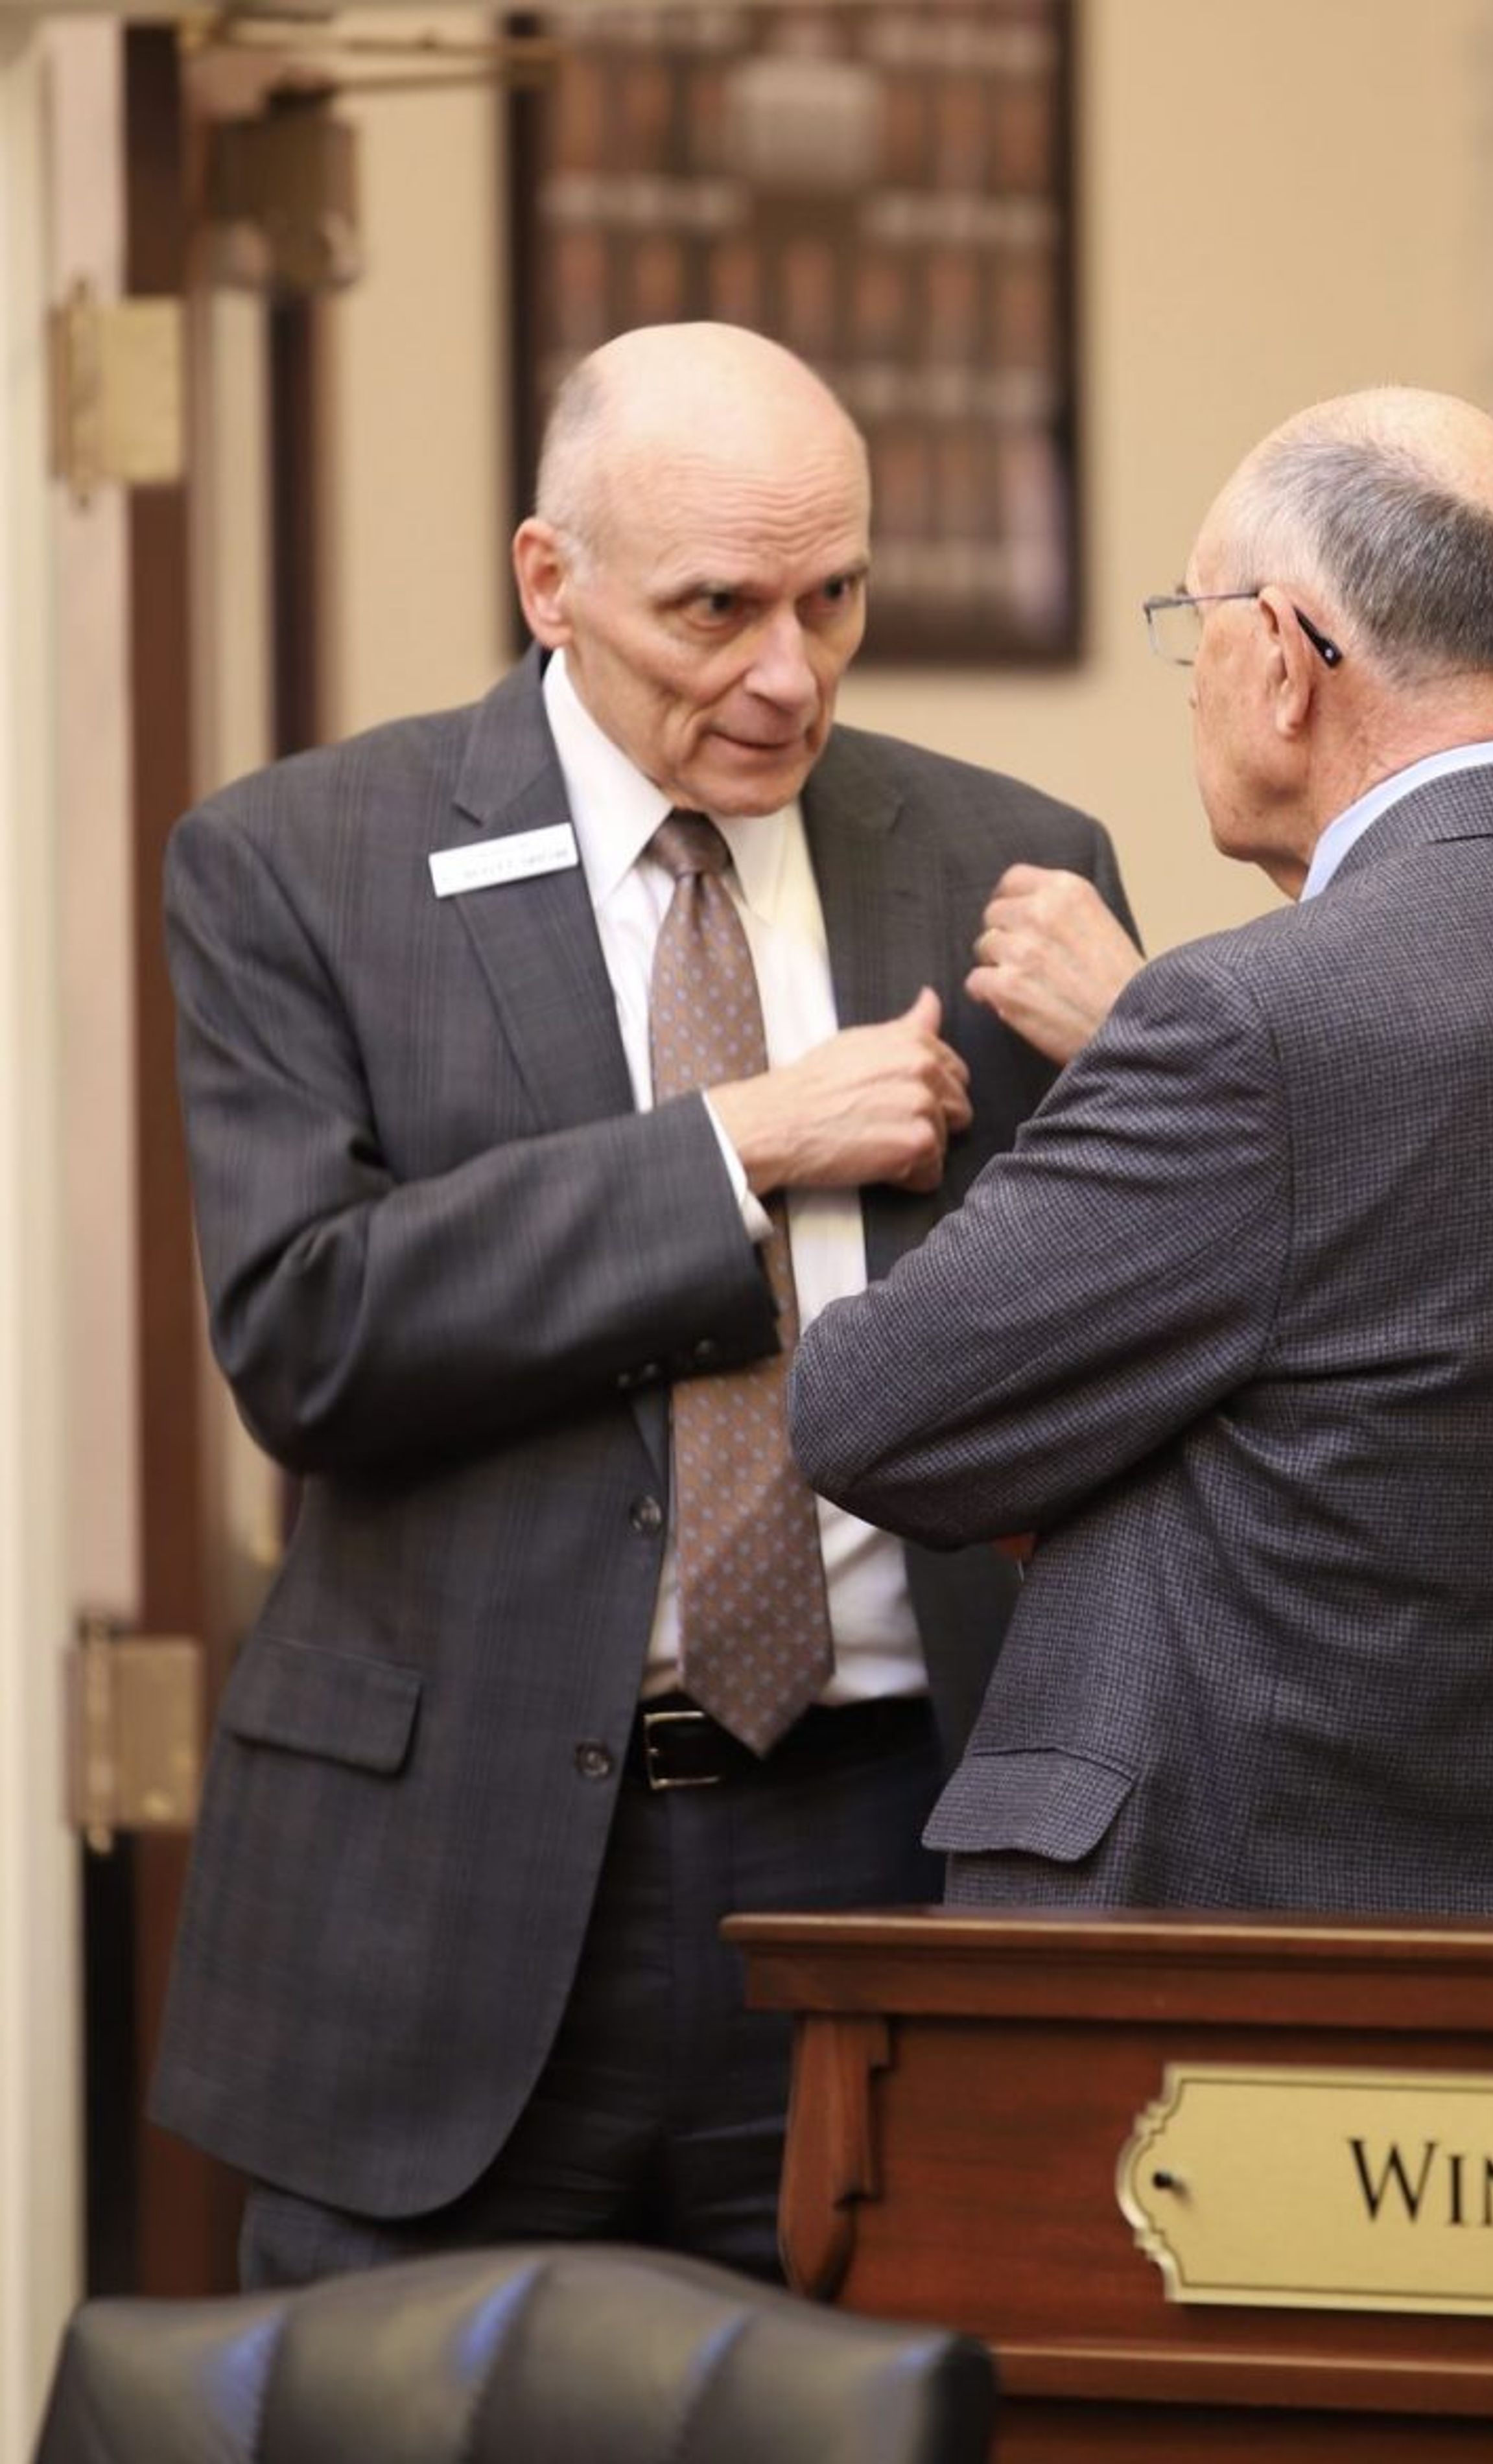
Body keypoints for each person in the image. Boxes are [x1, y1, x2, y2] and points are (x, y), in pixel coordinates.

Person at [148, 322, 1133, 2285]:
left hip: (892, 1839)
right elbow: (308, 1329)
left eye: (833, 595)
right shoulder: (302, 864)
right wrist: (735, 1146)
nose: (791, 671)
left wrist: (1163, 1049)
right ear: (552, 582)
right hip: (461, 1887)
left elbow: (1135, 1347)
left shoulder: (1005, 868)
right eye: (718, 609)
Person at [789, 387, 1493, 1918]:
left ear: (1279, 653)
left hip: (1218, 1972)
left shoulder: (1247, 1022)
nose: (1188, 675)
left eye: (1190, 622)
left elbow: (867, 1408)